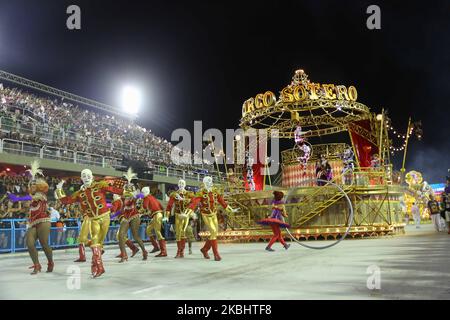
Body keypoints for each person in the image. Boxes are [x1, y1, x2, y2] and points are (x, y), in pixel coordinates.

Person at [55, 168, 123, 278]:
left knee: (99, 243)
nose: (86, 177)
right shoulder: (79, 193)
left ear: (92, 176)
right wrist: (59, 190)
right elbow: (66, 201)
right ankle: (100, 267)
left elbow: (113, 189)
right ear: (81, 178)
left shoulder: (100, 185)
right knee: (95, 241)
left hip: (105, 217)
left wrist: (126, 192)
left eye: (88, 175)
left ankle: (94, 265)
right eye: (83, 176)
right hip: (93, 219)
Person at [8, 160, 53, 274]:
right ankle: (37, 265)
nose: (32, 186)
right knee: (29, 244)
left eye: (34, 184)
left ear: (38, 186)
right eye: (30, 184)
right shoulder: (31, 197)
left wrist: (17, 198)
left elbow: (27, 198)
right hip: (33, 222)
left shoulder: (41, 195)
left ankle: (50, 262)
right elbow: (27, 205)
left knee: (44, 243)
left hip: (44, 221)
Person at [185, 176, 239, 261]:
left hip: (214, 214)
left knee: (214, 233)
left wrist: (231, 209)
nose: (210, 183)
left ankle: (204, 249)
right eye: (208, 181)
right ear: (204, 183)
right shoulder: (201, 193)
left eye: (211, 181)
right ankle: (216, 254)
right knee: (213, 231)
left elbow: (222, 202)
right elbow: (194, 203)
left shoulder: (215, 191)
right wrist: (188, 212)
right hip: (206, 215)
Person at [116, 169, 148, 262]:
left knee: (135, 236)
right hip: (125, 215)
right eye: (126, 186)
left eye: (130, 187)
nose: (128, 187)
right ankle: (124, 255)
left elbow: (140, 196)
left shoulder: (136, 194)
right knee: (121, 235)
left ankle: (144, 251)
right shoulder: (123, 194)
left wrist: (135, 195)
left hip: (134, 215)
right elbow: (122, 203)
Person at [165, 179, 194, 258]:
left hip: (186, 215)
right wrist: (166, 216)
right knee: (178, 234)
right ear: (178, 184)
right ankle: (179, 251)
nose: (181, 184)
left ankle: (183, 251)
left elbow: (193, 203)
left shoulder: (189, 194)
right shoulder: (174, 194)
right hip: (177, 215)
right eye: (180, 183)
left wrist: (184, 200)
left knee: (184, 233)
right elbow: (169, 206)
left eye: (182, 183)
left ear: (185, 184)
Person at [142, 186, 167, 257]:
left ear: (146, 192)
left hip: (156, 215)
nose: (142, 193)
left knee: (157, 232)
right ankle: (156, 247)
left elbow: (144, 206)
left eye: (143, 192)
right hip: (158, 215)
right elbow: (162, 207)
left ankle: (163, 251)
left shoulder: (146, 198)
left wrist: (143, 211)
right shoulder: (153, 198)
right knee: (148, 230)